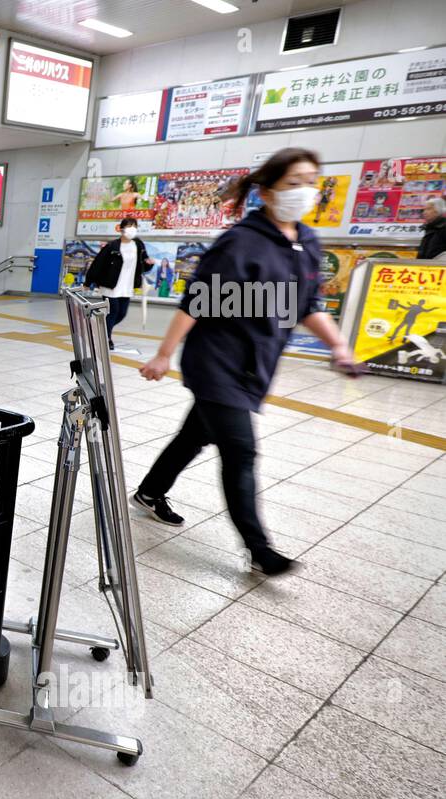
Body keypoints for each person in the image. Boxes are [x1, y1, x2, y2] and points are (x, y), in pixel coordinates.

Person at [130, 148, 357, 576]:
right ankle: (259, 549)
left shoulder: (306, 242)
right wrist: (164, 354)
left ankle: (148, 493)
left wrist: (339, 346)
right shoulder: (240, 242)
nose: (305, 191)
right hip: (216, 362)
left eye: (312, 181)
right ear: (268, 191)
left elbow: (308, 305)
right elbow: (195, 302)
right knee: (241, 452)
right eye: (294, 183)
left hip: (254, 364)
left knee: (194, 435)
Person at [85, 216, 155, 349]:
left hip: (127, 286)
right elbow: (97, 264)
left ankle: (102, 329)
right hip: (110, 286)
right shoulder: (112, 246)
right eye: (129, 226)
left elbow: (143, 264)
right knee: (113, 311)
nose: (132, 229)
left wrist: (149, 264)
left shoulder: (138, 244)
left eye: (134, 226)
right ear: (121, 229)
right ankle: (107, 338)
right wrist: (88, 281)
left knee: (122, 313)